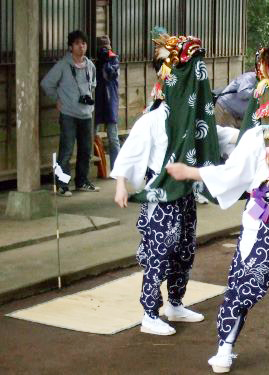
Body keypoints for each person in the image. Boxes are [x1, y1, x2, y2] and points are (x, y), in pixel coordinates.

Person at [168, 41, 269, 375]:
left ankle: (224, 352)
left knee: (244, 285)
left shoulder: (257, 136)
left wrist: (191, 172)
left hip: (267, 222)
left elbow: (232, 175)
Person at [111, 28, 238, 336]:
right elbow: (131, 149)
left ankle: (175, 303)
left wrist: (250, 138)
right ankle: (149, 313)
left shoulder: (194, 116)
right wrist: (120, 183)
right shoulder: (155, 117)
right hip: (162, 196)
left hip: (184, 194)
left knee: (184, 249)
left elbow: (216, 137)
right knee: (159, 253)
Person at [41, 30, 99, 196]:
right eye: (77, 43)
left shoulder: (90, 65)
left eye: (84, 43)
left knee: (86, 150)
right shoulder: (63, 65)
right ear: (70, 47)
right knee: (66, 150)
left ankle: (82, 181)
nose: (81, 46)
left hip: (86, 114)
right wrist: (57, 99)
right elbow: (46, 84)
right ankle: (62, 184)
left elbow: (93, 84)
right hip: (68, 114)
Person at [94, 35, 121, 172]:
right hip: (97, 101)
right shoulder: (94, 62)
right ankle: (98, 168)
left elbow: (110, 74)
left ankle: (116, 169)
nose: (105, 51)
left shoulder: (114, 59)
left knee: (113, 137)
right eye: (102, 49)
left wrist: (106, 61)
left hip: (110, 101)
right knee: (91, 135)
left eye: (107, 48)